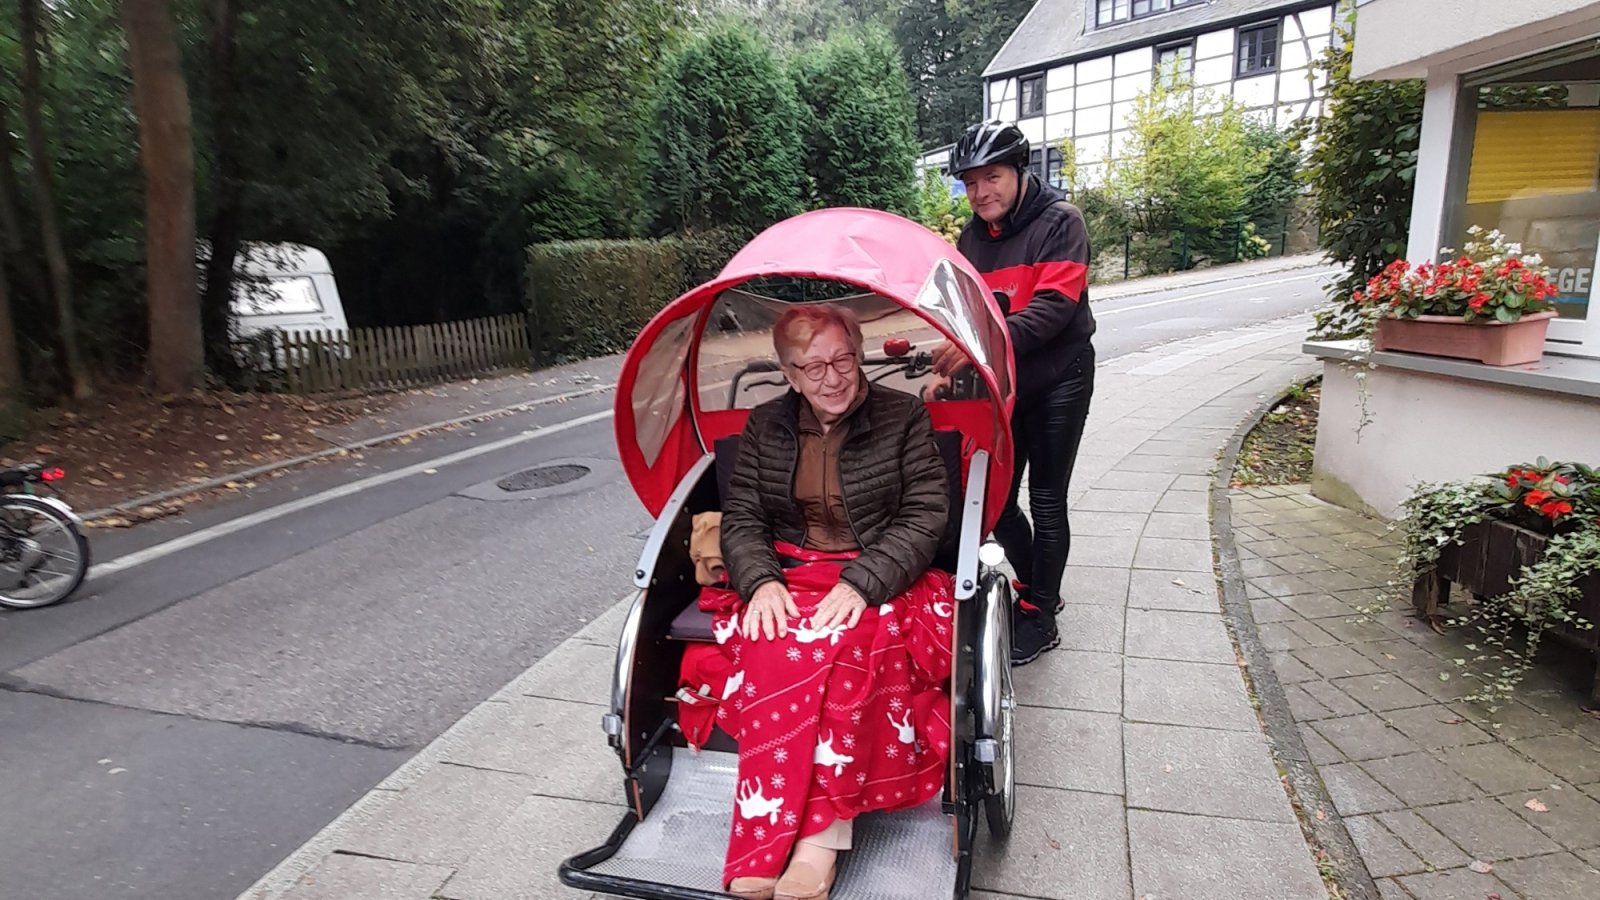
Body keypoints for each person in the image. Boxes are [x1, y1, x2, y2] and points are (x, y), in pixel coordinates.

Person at [704, 304, 956, 900]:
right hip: (791, 570)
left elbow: (926, 515)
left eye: (842, 359)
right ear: (789, 374)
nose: (832, 377)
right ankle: (764, 843)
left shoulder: (903, 415)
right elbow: (742, 519)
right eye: (812, 367)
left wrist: (862, 581)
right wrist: (761, 580)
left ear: (859, 354)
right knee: (770, 644)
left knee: (849, 652)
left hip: (883, 571)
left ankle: (819, 846)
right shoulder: (767, 424)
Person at [934, 119, 1096, 667]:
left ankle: (1042, 614)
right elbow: (963, 313)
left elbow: (1054, 310)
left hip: (1059, 378)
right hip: (1003, 382)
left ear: (1019, 171)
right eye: (971, 181)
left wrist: (983, 349)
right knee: (996, 498)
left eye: (993, 177)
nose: (981, 192)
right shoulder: (971, 240)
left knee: (1047, 501)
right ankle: (1035, 588)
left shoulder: (1060, 222)